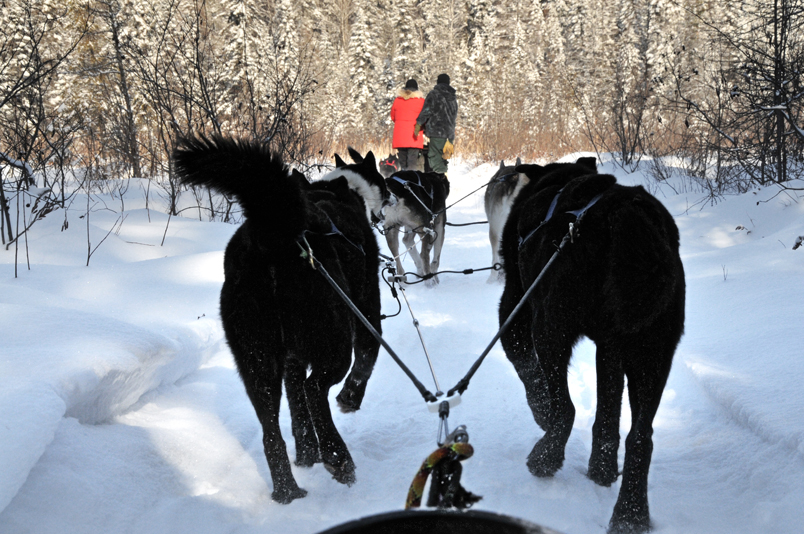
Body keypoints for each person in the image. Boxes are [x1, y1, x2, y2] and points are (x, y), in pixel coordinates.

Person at [414, 73, 458, 177]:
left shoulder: (434, 94)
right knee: (443, 158)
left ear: (438, 82)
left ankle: (441, 182)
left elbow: (426, 111)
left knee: (435, 159)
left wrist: (418, 124)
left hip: (437, 132)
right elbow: (454, 115)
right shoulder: (453, 97)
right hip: (449, 134)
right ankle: (443, 179)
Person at [390, 79, 425, 171]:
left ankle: (403, 181)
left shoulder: (397, 101)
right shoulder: (421, 101)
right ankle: (411, 182)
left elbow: (393, 117)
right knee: (412, 163)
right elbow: (425, 118)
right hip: (414, 136)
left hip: (400, 137)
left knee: (403, 163)